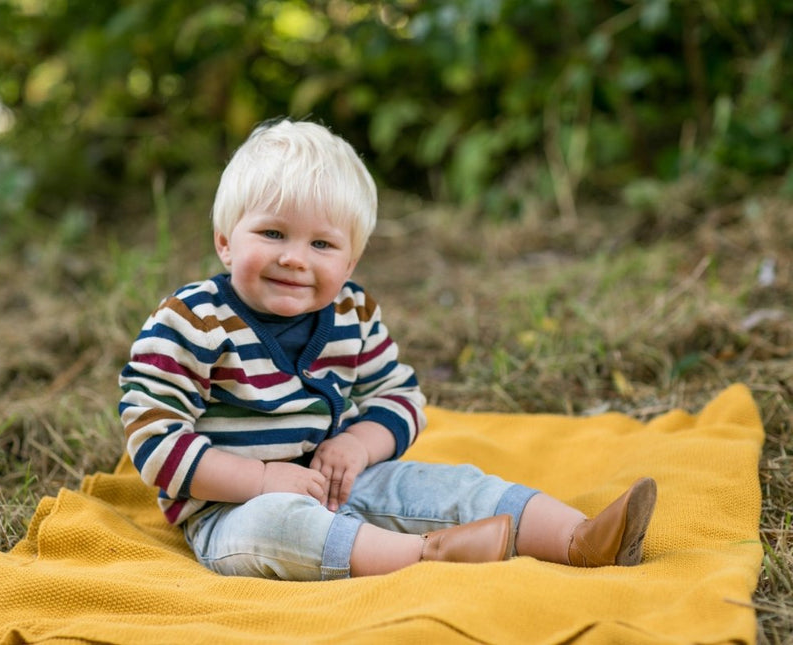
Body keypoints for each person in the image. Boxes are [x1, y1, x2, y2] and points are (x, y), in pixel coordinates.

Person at [118, 117, 657, 581]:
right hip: (229, 511)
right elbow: (152, 435)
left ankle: (579, 539)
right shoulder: (194, 321)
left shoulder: (353, 314)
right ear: (225, 240)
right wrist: (261, 479)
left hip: (341, 482)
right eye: (273, 234)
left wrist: (358, 446)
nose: (295, 258)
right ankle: (427, 556)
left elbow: (399, 399)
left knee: (448, 484)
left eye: (322, 244)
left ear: (350, 261)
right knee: (282, 525)